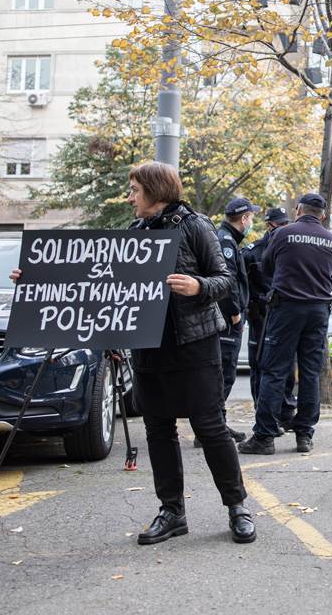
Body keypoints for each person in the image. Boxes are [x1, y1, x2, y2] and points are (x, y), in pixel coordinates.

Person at [119, 162, 255, 544]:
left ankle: (237, 507)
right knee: (158, 430)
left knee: (210, 428)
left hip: (195, 344)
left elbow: (224, 278)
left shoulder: (195, 225)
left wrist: (197, 286)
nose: (130, 197)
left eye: (135, 190)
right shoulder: (134, 233)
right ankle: (172, 511)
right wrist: (38, 279)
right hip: (149, 347)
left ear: (156, 190)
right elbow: (105, 281)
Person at [239, 193, 332, 456]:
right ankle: (304, 434)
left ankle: (264, 437)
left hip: (286, 308)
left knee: (274, 371)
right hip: (318, 311)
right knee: (310, 373)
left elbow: (267, 267)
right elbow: (329, 272)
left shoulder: (284, 234)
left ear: (297, 211)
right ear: (323, 215)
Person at [206, 196, 259, 444]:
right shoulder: (226, 241)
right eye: (251, 217)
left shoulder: (227, 238)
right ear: (244, 218)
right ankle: (213, 427)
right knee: (223, 374)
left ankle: (217, 424)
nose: (252, 222)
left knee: (222, 373)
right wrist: (235, 313)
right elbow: (228, 282)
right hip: (227, 320)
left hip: (226, 318)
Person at [243, 206, 297, 425]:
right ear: (269, 225)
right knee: (260, 367)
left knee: (287, 367)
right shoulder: (252, 252)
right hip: (260, 318)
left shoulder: (292, 249)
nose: (283, 228)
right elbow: (243, 286)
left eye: (286, 224)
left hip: (284, 317)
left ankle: (286, 413)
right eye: (280, 225)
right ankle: (262, 412)